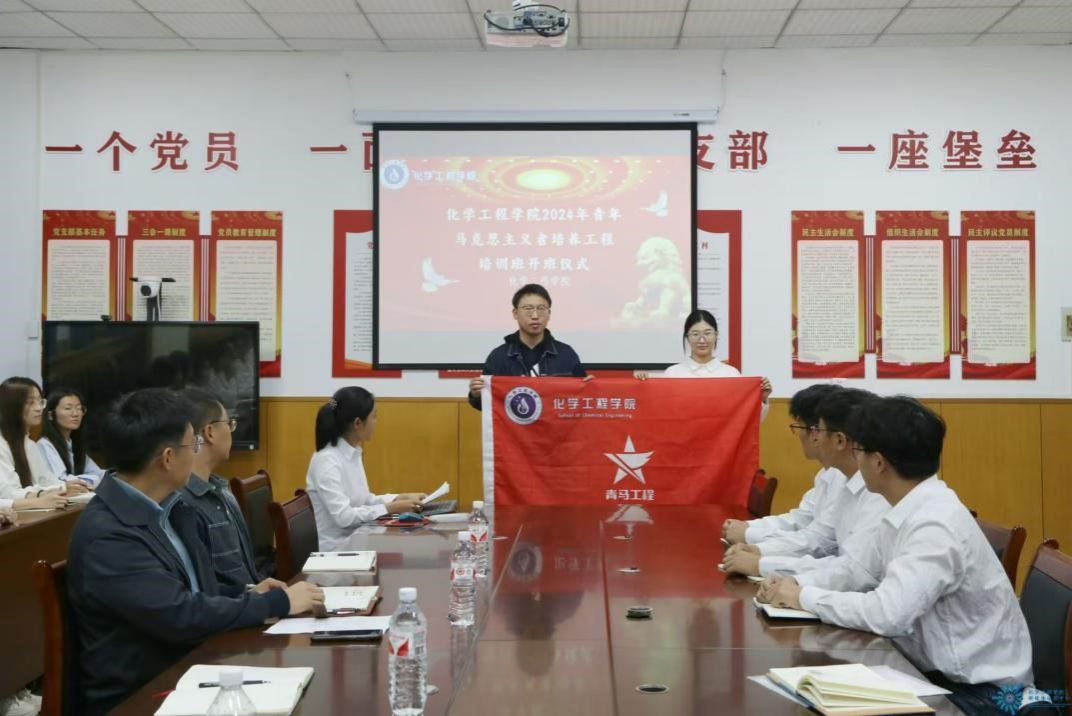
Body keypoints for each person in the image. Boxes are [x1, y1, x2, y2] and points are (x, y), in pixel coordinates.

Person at [759, 396, 1045, 713]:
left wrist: (803, 597)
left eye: (858, 450)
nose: (855, 460)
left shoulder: (934, 523)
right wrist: (791, 583)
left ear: (878, 462)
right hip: (934, 675)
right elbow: (857, 572)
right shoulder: (908, 508)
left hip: (982, 697)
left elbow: (886, 614)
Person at [67, 388, 324, 716]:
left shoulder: (172, 509)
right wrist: (277, 603)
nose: (196, 454)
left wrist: (247, 593)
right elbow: (179, 615)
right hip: (144, 693)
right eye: (192, 445)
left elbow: (193, 591)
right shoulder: (108, 535)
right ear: (168, 458)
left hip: (192, 667)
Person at [723, 388, 887, 579]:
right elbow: (818, 536)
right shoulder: (846, 480)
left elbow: (854, 571)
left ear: (840, 440)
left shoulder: (876, 491)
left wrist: (761, 561)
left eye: (819, 430)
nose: (816, 437)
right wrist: (759, 549)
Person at [722, 383, 843, 545]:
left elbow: (820, 542)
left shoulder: (843, 478)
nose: (797, 435)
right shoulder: (827, 473)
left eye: (798, 427)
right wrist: (748, 526)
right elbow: (800, 519)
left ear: (816, 432)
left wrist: (749, 535)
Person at [306, 387, 426, 550]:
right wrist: (390, 508)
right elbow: (344, 517)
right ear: (357, 423)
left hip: (357, 541)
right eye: (374, 417)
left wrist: (399, 498)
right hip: (337, 550)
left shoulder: (352, 453)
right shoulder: (326, 461)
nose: (376, 422)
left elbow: (364, 500)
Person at [178, 388, 263, 591]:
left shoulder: (222, 491)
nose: (232, 430)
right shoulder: (183, 503)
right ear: (210, 432)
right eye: (229, 424)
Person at [467, 283, 586, 410]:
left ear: (549, 313)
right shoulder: (499, 356)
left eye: (541, 308)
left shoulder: (566, 354)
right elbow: (488, 408)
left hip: (555, 422)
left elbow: (583, 400)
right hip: (515, 422)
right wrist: (477, 395)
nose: (535, 316)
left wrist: (591, 387)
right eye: (528, 308)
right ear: (515, 313)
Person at [639, 310, 771, 420]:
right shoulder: (673, 373)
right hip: (681, 441)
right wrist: (642, 386)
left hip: (722, 444)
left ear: (716, 335)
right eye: (695, 334)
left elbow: (749, 420)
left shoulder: (731, 374)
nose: (702, 340)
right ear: (687, 337)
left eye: (707, 333)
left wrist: (763, 398)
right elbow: (659, 415)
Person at [0, 377, 85, 513]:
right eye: (31, 403)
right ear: (12, 406)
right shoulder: (2, 444)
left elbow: (46, 480)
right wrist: (40, 497)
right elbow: (7, 493)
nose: (39, 408)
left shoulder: (29, 444)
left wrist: (65, 487)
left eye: (40, 401)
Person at [37, 388, 103, 489]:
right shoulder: (45, 445)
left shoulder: (73, 444)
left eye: (79, 408)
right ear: (50, 415)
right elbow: (61, 481)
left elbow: (98, 474)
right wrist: (91, 480)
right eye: (68, 408)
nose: (75, 414)